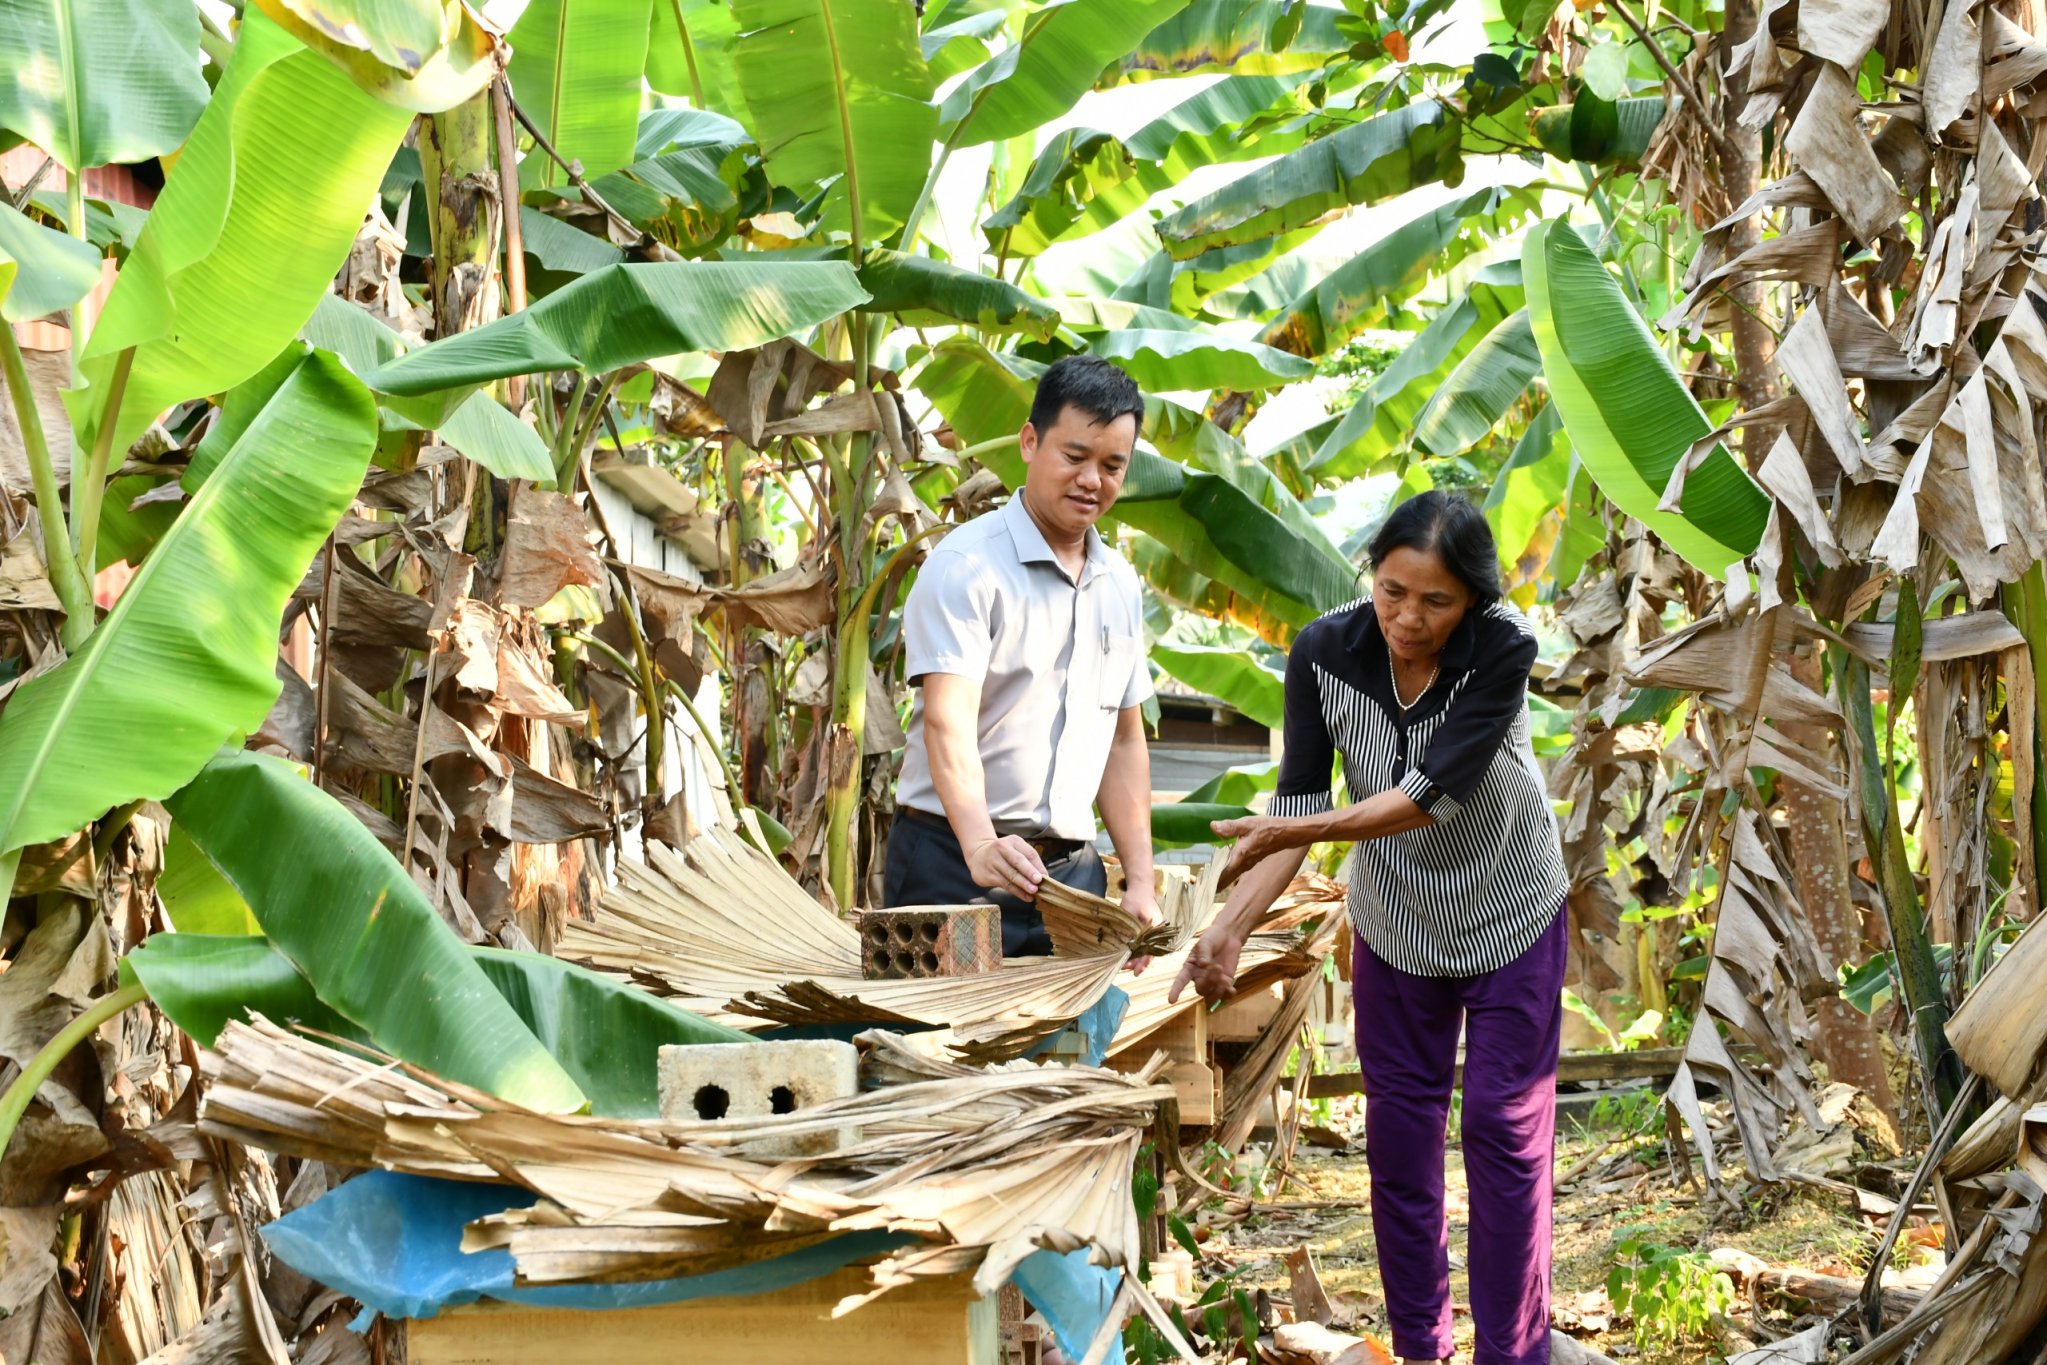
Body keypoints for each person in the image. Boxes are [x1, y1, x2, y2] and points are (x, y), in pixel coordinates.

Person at [1170, 490, 1569, 1365]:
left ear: (1473, 601)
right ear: (1371, 575)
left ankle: (1514, 1353)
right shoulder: (1323, 650)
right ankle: (1421, 1349)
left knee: (1503, 1131)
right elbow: (1297, 808)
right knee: (1399, 1136)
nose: (1408, 617)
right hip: (1397, 924)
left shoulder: (1502, 650)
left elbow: (1425, 798)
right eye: (1392, 590)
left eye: (1435, 600)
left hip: (1511, 909)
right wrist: (1230, 926)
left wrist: (1295, 833)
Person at [884, 355, 1158, 957]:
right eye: (1075, 456)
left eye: (1113, 465)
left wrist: (1139, 878)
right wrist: (981, 846)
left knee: (1065, 1049)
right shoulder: (967, 568)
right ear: (1030, 442)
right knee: (934, 1049)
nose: (1093, 480)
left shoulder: (1119, 584)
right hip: (951, 867)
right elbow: (945, 721)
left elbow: (1123, 740)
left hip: (1072, 881)